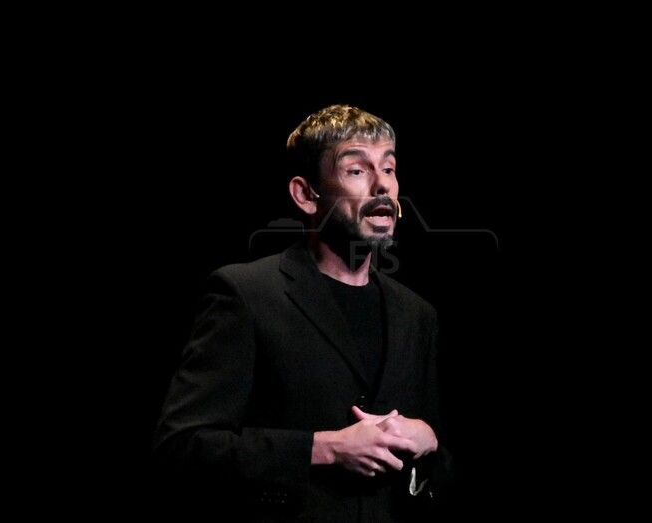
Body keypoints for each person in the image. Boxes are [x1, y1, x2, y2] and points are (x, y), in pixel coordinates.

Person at [153, 104, 452, 520]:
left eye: (389, 168)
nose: (382, 185)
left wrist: (429, 442)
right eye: (357, 170)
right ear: (307, 195)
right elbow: (182, 447)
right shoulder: (246, 295)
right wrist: (323, 448)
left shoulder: (417, 315)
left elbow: (436, 477)